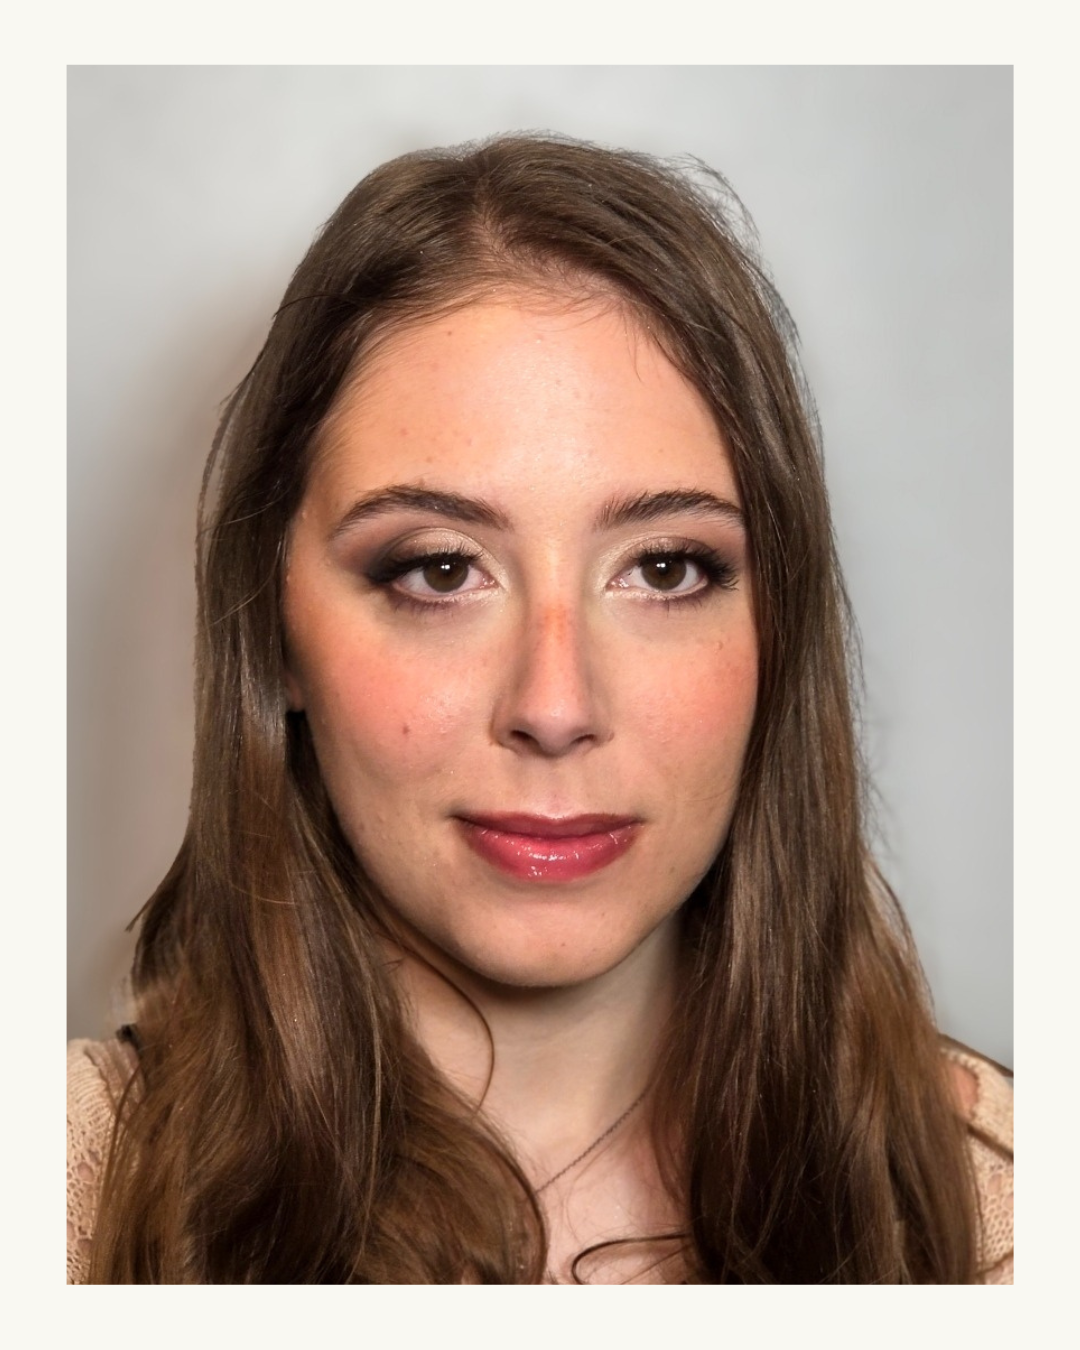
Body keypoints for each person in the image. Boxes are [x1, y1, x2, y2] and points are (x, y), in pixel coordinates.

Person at [66, 133, 1012, 1284]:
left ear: (779, 627)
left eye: (664, 568)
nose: (555, 707)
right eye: (439, 570)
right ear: (275, 632)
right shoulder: (62, 1201)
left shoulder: (1006, 1219)